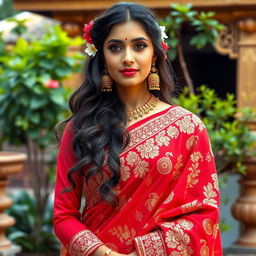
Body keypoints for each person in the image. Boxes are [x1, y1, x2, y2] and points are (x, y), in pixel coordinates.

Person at [53, 2, 222, 256]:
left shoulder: (187, 128)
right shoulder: (81, 127)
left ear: (154, 54)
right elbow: (64, 216)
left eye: (139, 46)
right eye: (115, 47)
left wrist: (142, 252)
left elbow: (204, 214)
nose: (127, 57)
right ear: (102, 56)